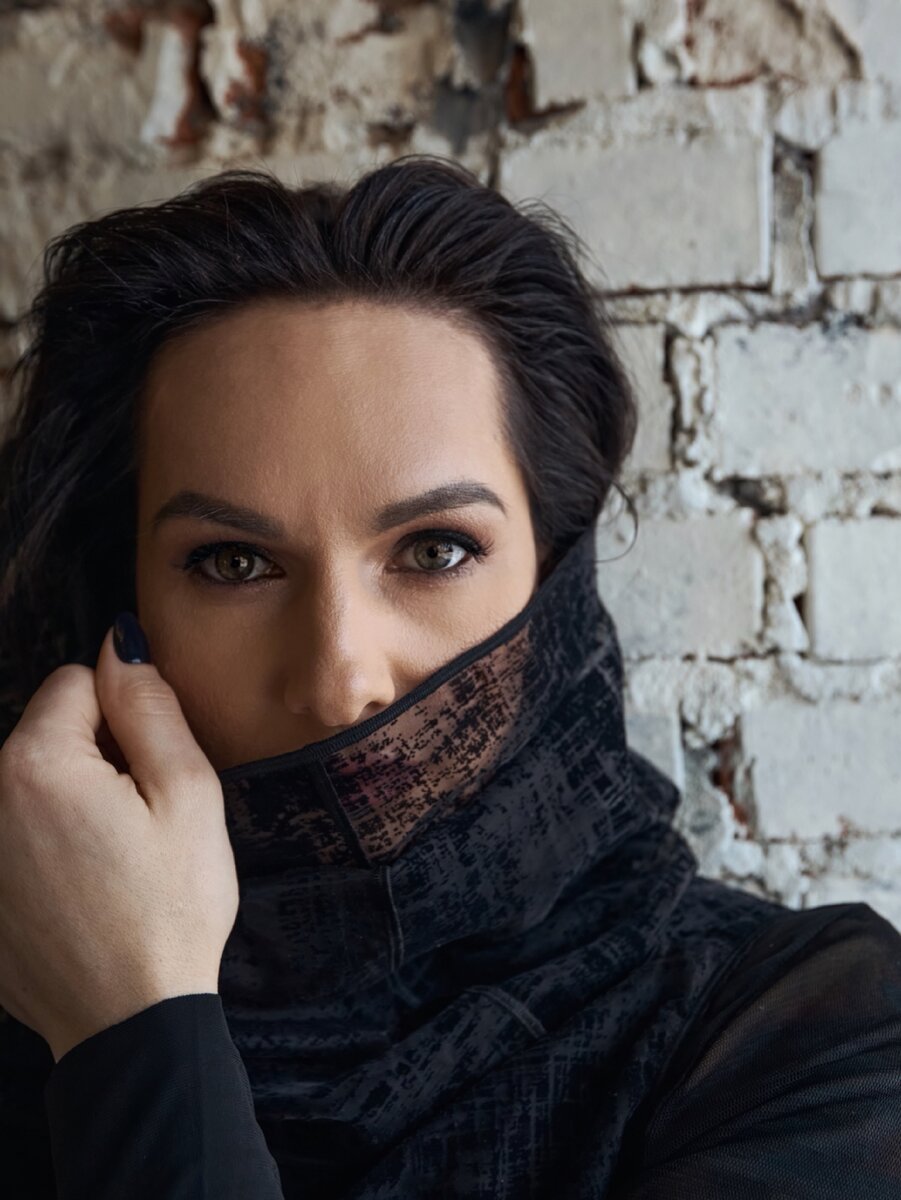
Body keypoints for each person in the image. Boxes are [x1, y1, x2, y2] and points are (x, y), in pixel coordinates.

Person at [0, 156, 898, 1200]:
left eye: (434, 552)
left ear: (555, 577)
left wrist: (134, 1039)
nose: (340, 682)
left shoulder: (801, 1037)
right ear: (124, 609)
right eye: (234, 564)